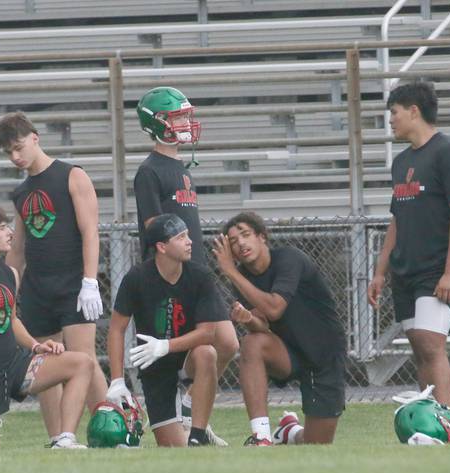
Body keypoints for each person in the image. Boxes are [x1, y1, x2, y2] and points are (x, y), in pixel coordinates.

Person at [0, 111, 107, 445]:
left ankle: (111, 428)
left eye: (18, 148)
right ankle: (59, 438)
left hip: (74, 284)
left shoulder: (72, 176)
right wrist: (8, 290)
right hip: (37, 289)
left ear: (34, 138)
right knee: (46, 365)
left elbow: (90, 232)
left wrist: (90, 281)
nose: (16, 157)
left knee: (84, 360)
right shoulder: (21, 193)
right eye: (9, 153)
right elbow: (17, 250)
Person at [133, 87, 238, 443]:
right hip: (170, 278)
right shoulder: (149, 171)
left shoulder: (182, 168)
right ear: (158, 124)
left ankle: (194, 406)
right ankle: (180, 408)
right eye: (179, 117)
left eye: (186, 116)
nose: (187, 123)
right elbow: (153, 229)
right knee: (186, 350)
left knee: (227, 343)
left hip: (197, 272)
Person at [0, 206, 94, 449]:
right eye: (2, 228)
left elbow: (12, 321)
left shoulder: (10, 273)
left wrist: (36, 346)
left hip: (15, 366)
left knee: (82, 362)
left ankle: (64, 439)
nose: (10, 233)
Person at [368, 81, 450, 406]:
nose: (391, 120)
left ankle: (446, 421)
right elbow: (396, 219)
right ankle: (429, 422)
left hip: (436, 270)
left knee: (431, 344)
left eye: (394, 113)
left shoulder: (449, 153)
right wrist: (380, 272)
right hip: (405, 271)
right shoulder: (400, 163)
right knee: (420, 347)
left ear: (414, 111)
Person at [213, 212, 346, 445]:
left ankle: (289, 431)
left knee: (316, 444)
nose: (240, 243)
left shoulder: (289, 259)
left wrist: (230, 271)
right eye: (233, 241)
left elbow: (274, 308)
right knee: (252, 343)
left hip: (323, 355)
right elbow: (263, 323)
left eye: (245, 235)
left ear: (262, 237)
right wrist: (248, 318)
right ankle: (262, 436)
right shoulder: (243, 277)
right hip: (288, 352)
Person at [107, 214, 229, 447]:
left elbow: (208, 333)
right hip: (155, 365)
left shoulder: (200, 276)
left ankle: (199, 434)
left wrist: (165, 345)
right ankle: (189, 435)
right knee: (172, 447)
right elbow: (116, 328)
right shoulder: (137, 277)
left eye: (188, 236)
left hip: (187, 356)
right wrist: (116, 380)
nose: (189, 241)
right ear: (161, 247)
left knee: (207, 353)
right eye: (180, 237)